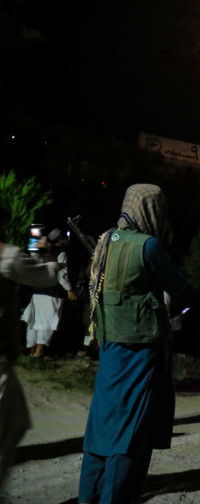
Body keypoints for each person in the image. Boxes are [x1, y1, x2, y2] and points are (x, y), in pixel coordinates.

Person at [78, 184, 187, 504]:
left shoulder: (105, 240)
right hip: (141, 348)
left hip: (110, 344)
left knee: (103, 421)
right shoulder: (149, 246)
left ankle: (89, 495)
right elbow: (179, 282)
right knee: (131, 428)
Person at [0, 239, 60, 492]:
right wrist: (48, 254)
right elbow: (44, 275)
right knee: (12, 425)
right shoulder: (7, 256)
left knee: (16, 421)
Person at [20, 228, 75, 358]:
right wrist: (69, 289)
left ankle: (32, 350)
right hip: (52, 292)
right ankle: (39, 351)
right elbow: (62, 273)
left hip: (37, 291)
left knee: (35, 321)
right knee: (47, 322)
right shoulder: (60, 253)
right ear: (61, 240)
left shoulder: (42, 251)